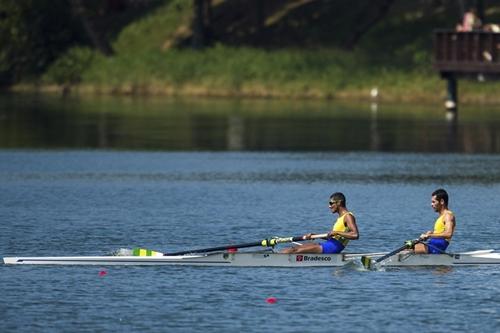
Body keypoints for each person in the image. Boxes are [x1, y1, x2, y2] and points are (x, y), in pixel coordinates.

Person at [281, 192, 359, 254]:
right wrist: (315, 235)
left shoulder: (348, 216)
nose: (329, 206)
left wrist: (336, 232)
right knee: (293, 248)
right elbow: (334, 237)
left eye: (331, 203)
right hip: (329, 244)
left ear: (339, 203)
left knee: (293, 250)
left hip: (332, 248)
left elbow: (355, 235)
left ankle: (274, 259)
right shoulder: (340, 218)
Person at [414, 188, 456, 254]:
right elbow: (440, 232)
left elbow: (448, 234)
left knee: (409, 249)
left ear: (442, 201)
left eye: (434, 202)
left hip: (437, 247)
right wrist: (430, 233)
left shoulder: (448, 216)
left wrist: (430, 235)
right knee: (410, 245)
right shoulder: (441, 217)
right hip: (432, 245)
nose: (431, 204)